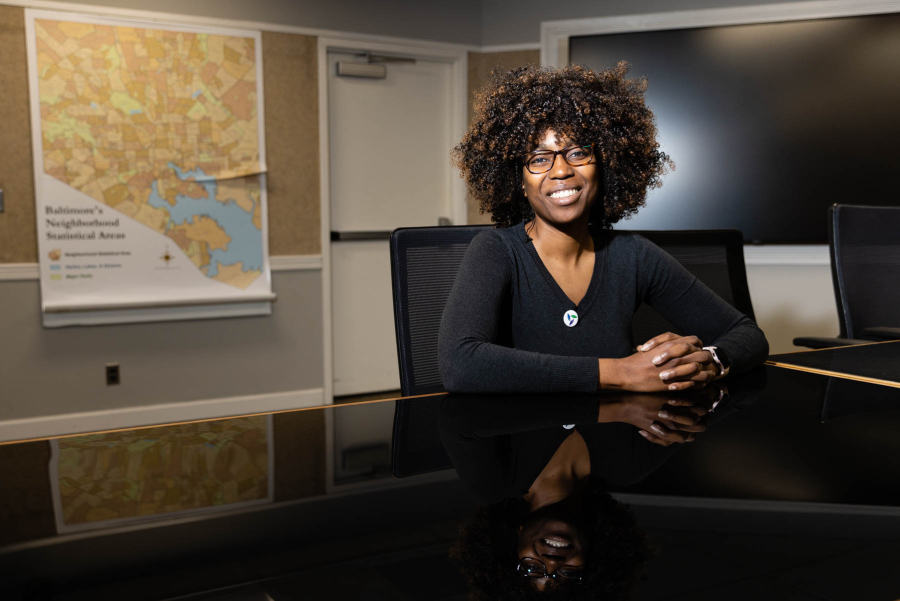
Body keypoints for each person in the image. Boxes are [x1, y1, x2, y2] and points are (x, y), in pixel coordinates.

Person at [439, 62, 769, 400]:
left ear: (605, 164)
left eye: (578, 152)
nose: (562, 170)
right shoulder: (496, 251)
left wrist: (708, 361)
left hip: (617, 438)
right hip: (524, 438)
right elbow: (459, 364)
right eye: (538, 159)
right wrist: (620, 372)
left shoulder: (634, 255)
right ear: (520, 182)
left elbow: (747, 335)